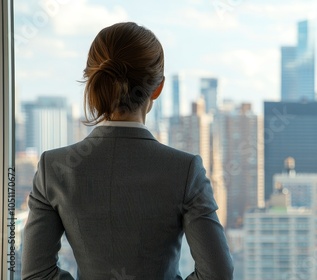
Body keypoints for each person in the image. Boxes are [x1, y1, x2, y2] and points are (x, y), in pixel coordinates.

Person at [21, 22, 233, 280]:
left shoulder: (52, 168)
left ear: (93, 78)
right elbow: (218, 274)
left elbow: (36, 275)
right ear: (158, 88)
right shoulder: (186, 171)